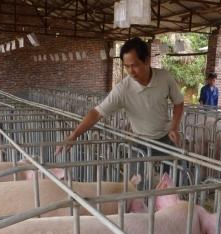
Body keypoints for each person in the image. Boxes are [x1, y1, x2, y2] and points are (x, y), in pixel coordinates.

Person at [56, 37, 184, 157]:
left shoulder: (165, 78)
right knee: (137, 181)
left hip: (166, 138)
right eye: (126, 66)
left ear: (146, 60)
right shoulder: (123, 89)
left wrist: (174, 127)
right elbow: (97, 112)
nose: (130, 71)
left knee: (174, 177)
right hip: (140, 142)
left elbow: (178, 102)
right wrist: (74, 135)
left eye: (134, 65)